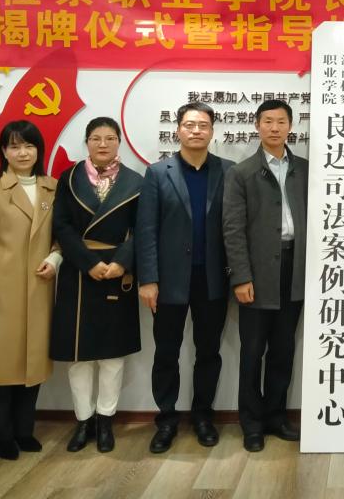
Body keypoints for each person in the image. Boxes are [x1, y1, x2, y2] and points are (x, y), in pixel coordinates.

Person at [136, 102, 235, 454]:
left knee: (209, 352)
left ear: (212, 131)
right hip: (169, 281)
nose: (196, 131)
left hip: (213, 279)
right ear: (177, 129)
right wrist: (148, 279)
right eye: (190, 125)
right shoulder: (157, 173)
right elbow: (146, 230)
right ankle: (166, 420)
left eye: (203, 125)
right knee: (166, 352)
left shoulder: (228, 171)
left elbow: (234, 227)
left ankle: (203, 417)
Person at [0, 120, 60, 460]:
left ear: (38, 150)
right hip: (1, 289)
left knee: (32, 362)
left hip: (38, 289)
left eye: (29, 146)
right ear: (3, 151)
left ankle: (23, 429)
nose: (22, 153)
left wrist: (56, 257)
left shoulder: (52, 188)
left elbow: (63, 232)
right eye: (14, 146)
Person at [50, 116, 143, 454]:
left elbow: (142, 229)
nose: (103, 144)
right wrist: (88, 262)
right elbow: (61, 226)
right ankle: (83, 420)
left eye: (109, 138)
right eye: (96, 138)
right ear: (87, 142)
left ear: (119, 142)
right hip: (79, 271)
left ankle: (106, 420)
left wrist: (122, 262)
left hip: (117, 273)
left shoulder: (135, 181)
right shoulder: (69, 177)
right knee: (79, 357)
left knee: (112, 356)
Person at [224, 99, 308, 453]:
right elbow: (232, 230)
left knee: (283, 349)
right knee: (252, 351)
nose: (275, 128)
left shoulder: (306, 169)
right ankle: (252, 423)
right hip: (257, 274)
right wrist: (241, 277)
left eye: (281, 122)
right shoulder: (241, 172)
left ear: (291, 126)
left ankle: (276, 416)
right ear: (257, 125)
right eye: (268, 121)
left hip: (295, 269)